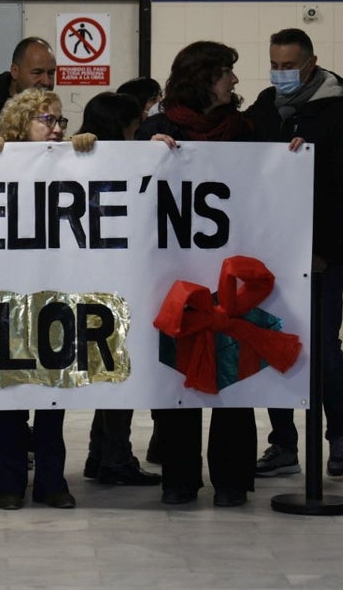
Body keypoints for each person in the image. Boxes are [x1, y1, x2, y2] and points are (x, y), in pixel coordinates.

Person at [136, 41, 257, 507]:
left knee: (233, 373)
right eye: (226, 72)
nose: (233, 81)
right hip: (176, 279)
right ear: (203, 77)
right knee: (177, 376)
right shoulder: (156, 129)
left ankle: (231, 479)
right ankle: (179, 478)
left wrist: (291, 156)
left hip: (232, 276)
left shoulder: (245, 129)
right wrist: (142, 155)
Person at [247, 28, 343, 478]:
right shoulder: (263, 108)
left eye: (288, 67)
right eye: (274, 66)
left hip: (322, 258)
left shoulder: (340, 117)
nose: (280, 75)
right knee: (270, 343)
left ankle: (338, 435)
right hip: (270, 253)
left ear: (311, 64)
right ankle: (283, 444)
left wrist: (324, 251)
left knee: (323, 348)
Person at [0, 88, 92, 509]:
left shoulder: (68, 159)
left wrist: (85, 154)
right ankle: (8, 482)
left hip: (53, 294)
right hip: (6, 296)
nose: (57, 129)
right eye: (47, 120)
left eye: (61, 121)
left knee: (52, 396)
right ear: (21, 125)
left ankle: (51, 480)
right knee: (10, 399)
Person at [72, 92, 167, 487]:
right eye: (137, 122)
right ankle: (114, 457)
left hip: (87, 282)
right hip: (114, 284)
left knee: (109, 371)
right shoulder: (118, 164)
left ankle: (102, 454)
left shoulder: (73, 159)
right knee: (119, 372)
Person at [0, 36, 57, 139]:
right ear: (15, 71)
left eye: (51, 73)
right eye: (37, 73)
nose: (46, 81)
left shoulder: (54, 116)